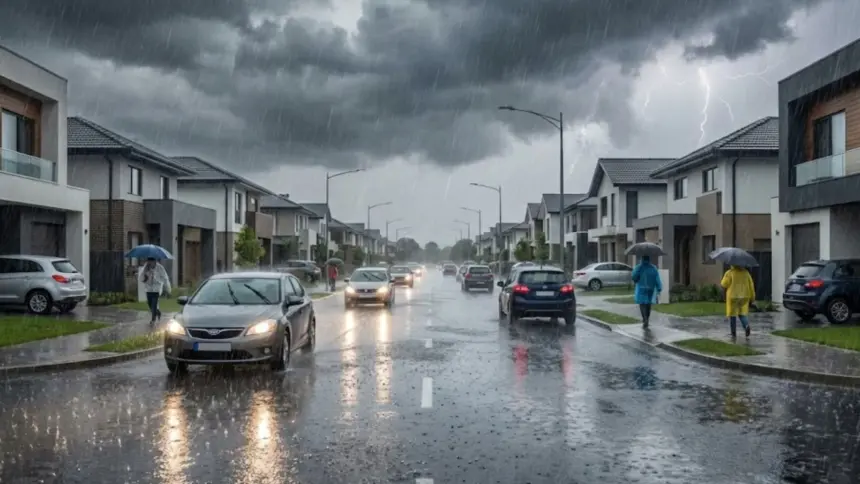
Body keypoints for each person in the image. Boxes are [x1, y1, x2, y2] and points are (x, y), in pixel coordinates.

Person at [721, 265, 755, 338]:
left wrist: (723, 295)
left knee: (732, 315)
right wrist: (752, 298)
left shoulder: (729, 273)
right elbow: (751, 285)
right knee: (742, 314)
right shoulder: (746, 273)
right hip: (745, 296)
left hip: (733, 296)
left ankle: (733, 333)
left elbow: (724, 284)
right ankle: (746, 325)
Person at [631, 255, 662, 329]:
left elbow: (634, 277)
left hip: (641, 289)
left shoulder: (639, 267)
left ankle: (645, 319)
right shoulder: (653, 268)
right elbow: (657, 278)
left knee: (642, 304)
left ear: (642, 259)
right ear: (649, 259)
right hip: (650, 289)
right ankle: (647, 318)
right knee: (648, 304)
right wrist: (659, 287)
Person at [138, 258, 171, 325]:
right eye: (149, 261)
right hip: (148, 289)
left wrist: (168, 289)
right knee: (150, 304)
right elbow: (141, 277)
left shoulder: (160, 267)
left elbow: (165, 278)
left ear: (155, 261)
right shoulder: (146, 267)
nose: (150, 263)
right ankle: (158, 312)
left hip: (157, 289)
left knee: (154, 304)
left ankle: (153, 319)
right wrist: (146, 276)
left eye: (151, 261)